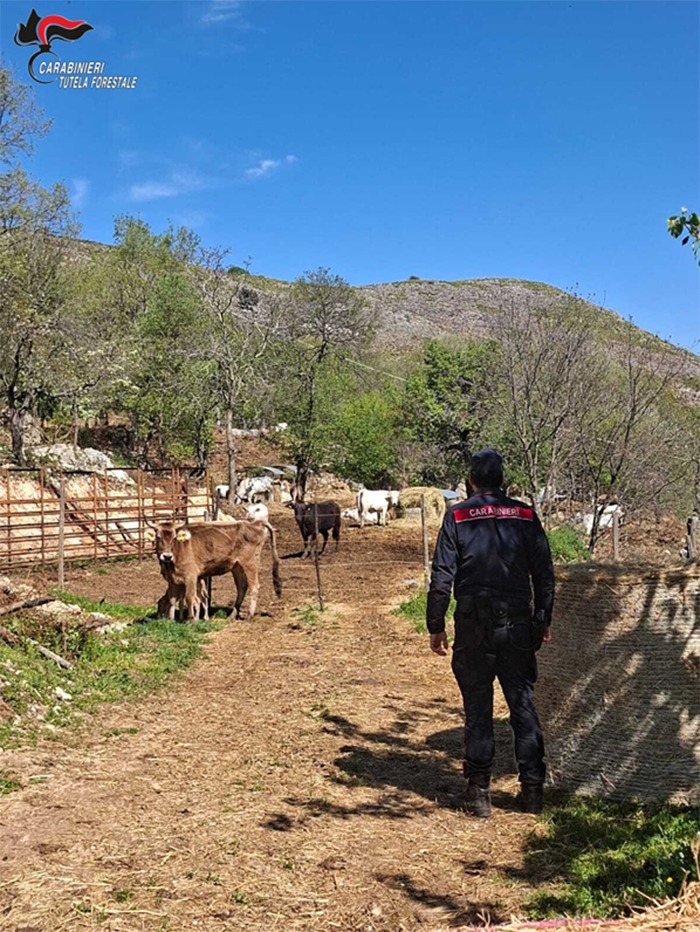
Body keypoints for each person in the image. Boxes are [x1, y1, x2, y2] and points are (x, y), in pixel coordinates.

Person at [427, 449, 554, 818]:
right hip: (517, 624)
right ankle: (532, 790)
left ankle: (479, 792)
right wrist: (542, 618)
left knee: (478, 707)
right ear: (504, 481)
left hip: (473, 625)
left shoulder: (457, 515)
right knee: (522, 704)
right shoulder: (526, 515)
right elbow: (544, 573)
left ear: (471, 481)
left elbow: (442, 578)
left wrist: (436, 624)